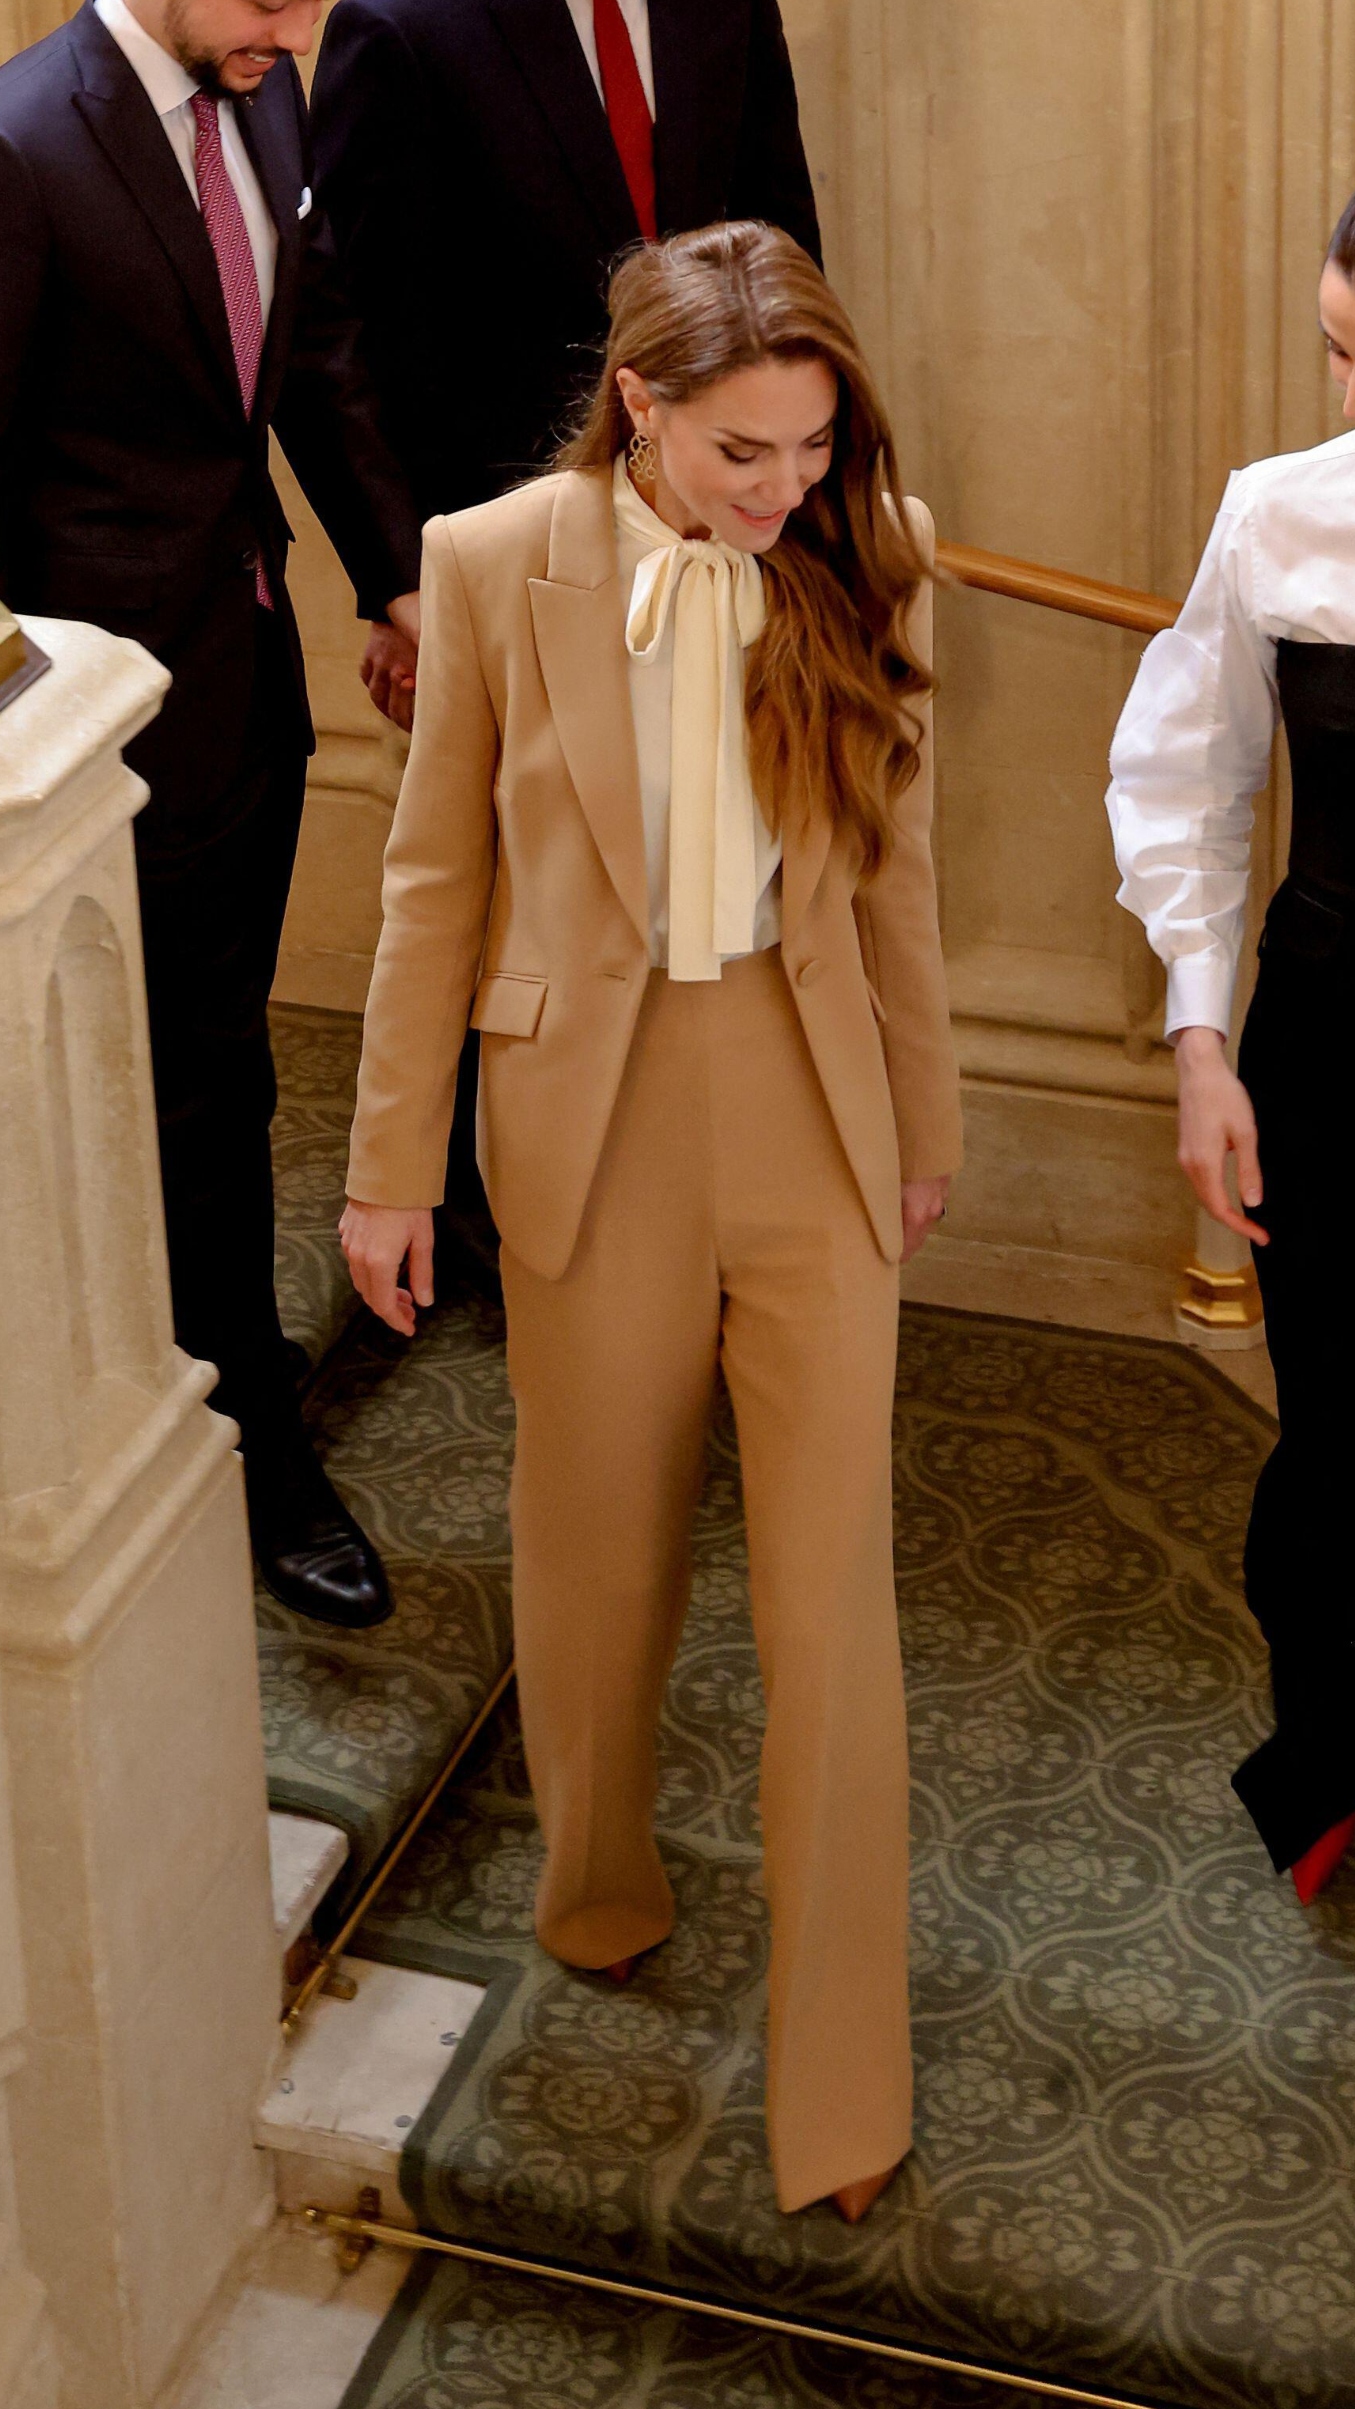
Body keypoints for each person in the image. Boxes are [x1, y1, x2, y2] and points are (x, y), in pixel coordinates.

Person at [340, 221, 961, 2219]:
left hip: (807, 1112)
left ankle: (843, 2085)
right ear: (638, 407)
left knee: (829, 1606)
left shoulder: (871, 548)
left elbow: (896, 878)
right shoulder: (490, 562)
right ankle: (596, 1874)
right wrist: (385, 1163)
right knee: (594, 1553)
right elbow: (432, 879)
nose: (783, 486)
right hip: (586, 1125)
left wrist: (922, 1121)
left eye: (810, 444)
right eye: (739, 452)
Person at [0, 0, 425, 1629]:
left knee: (220, 1060)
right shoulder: (24, 143)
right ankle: (247, 1438)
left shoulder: (257, 90)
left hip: (248, 668)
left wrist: (393, 577)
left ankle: (212, 1363)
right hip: (100, 724)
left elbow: (311, 354)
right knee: (180, 1083)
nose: (300, 29)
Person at [309, 0, 822, 1286]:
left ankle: (691, 1191)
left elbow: (786, 257)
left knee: (702, 862)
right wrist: (400, 581)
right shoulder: (401, 25)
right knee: (513, 885)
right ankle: (504, 1219)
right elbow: (358, 327)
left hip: (720, 540)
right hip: (511, 559)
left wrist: (785, 502)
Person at [1107, 197, 1355, 1904]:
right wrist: (1202, 1046)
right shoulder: (1279, 514)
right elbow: (1184, 782)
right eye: (1341, 352)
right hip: (1331, 1038)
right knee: (1333, 1420)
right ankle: (1329, 1763)